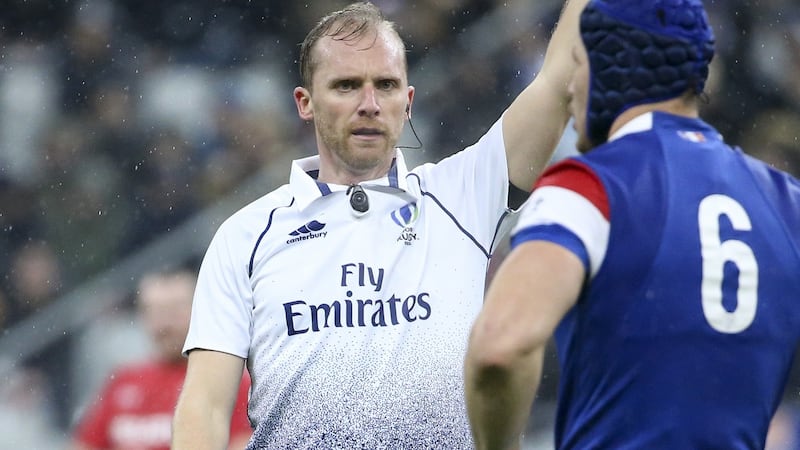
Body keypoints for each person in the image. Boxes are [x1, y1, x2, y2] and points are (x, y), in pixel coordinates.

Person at [171, 0, 588, 448]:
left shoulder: (461, 195)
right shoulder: (245, 235)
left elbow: (560, 78)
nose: (369, 104)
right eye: (347, 86)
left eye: (385, 85)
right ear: (305, 103)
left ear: (408, 102)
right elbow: (206, 406)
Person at [464, 0, 800, 449]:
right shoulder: (786, 201)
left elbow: (499, 347)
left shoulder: (588, 187)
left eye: (578, 65)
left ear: (608, 69)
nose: (570, 89)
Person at [71, 268, 252, 450]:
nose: (164, 324)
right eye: (155, 311)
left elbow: (243, 443)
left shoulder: (229, 380)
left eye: (174, 310)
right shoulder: (122, 380)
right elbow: (85, 444)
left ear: (200, 311)